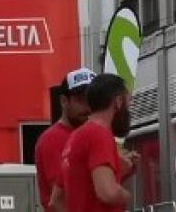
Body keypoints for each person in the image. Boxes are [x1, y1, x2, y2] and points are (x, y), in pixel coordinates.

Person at [62, 73, 134, 212]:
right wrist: (127, 196)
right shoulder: (99, 135)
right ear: (118, 102)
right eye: (128, 102)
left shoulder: (76, 136)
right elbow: (108, 193)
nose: (128, 109)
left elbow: (58, 197)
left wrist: (119, 171)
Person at [38, 68, 95, 212]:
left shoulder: (90, 134)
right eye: (81, 100)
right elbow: (63, 196)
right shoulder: (53, 139)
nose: (88, 107)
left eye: (92, 100)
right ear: (64, 101)